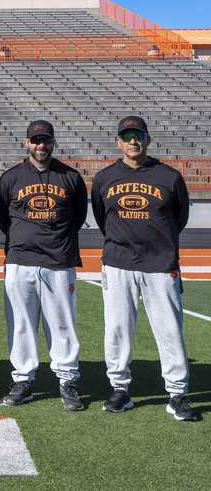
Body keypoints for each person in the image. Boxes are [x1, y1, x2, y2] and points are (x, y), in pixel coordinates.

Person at [91, 116, 198, 421]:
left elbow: (180, 218)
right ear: (118, 142)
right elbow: (102, 218)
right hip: (118, 263)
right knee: (117, 329)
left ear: (148, 139)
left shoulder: (169, 177)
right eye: (127, 136)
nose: (133, 141)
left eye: (138, 135)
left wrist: (159, 244)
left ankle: (177, 394)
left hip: (160, 264)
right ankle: (120, 389)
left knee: (169, 330)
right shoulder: (105, 177)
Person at [0, 120, 87, 411]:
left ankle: (67, 380)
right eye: (36, 141)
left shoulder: (69, 177)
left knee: (61, 323)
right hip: (21, 260)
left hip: (59, 261)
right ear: (27, 142)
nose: (41, 146)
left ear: (53, 142)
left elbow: (78, 215)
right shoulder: (11, 178)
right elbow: (2, 217)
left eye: (45, 140)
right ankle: (23, 379)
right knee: (21, 323)